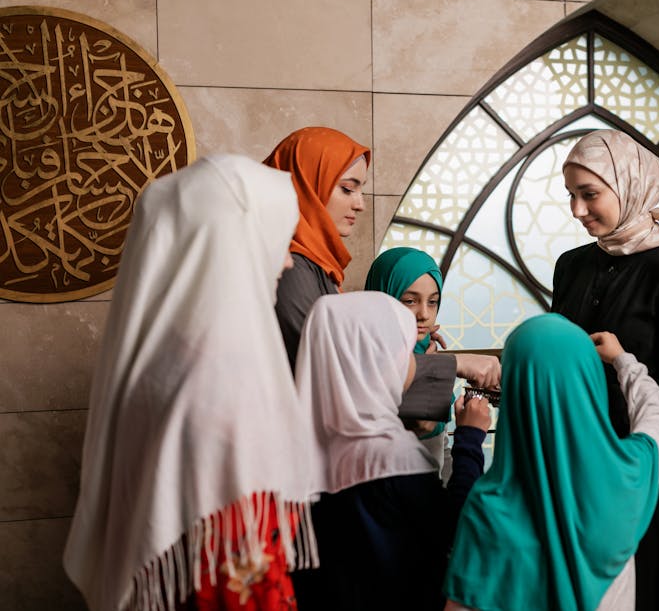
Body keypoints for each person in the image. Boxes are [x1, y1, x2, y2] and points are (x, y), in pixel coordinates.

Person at [63, 155, 320, 611]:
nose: (285, 261)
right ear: (230, 243)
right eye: (279, 239)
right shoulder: (226, 380)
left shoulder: (160, 365)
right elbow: (242, 571)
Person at [551, 129, 659, 611]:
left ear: (631, 186)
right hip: (578, 466)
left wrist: (623, 367)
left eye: (590, 194)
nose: (578, 211)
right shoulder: (571, 266)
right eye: (571, 196)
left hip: (647, 477)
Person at [442, 315, 659, 611]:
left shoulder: (491, 512)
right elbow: (657, 417)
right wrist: (622, 360)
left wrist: (468, 436)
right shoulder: (630, 476)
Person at [262, 127, 499, 404]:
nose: (360, 204)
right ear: (307, 185)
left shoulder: (315, 265)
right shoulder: (290, 269)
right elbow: (338, 371)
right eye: (347, 189)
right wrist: (455, 364)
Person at [291, 292, 491, 610]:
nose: (412, 360)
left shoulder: (295, 449)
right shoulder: (394, 457)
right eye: (404, 349)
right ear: (379, 356)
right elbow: (458, 531)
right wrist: (469, 439)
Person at [364, 246, 453, 465]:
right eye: (410, 301)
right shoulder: (368, 364)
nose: (424, 315)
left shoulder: (429, 353)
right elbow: (422, 426)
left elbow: (442, 451)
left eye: (432, 302)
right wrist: (427, 369)